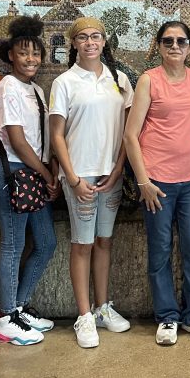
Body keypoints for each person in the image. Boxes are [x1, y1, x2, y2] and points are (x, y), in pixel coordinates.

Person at [123, 21, 190, 346]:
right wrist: (143, 181)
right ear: (159, 46)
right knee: (160, 250)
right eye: (168, 41)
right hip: (157, 182)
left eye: (181, 41)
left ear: (189, 46)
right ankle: (167, 317)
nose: (174, 46)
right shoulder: (149, 80)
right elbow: (130, 135)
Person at [49, 17, 133, 349]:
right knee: (81, 244)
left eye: (95, 36)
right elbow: (56, 135)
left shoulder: (120, 80)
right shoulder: (65, 82)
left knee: (104, 241)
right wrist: (71, 177)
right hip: (79, 175)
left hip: (110, 174)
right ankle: (84, 315)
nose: (89, 42)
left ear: (103, 41)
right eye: (82, 37)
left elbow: (129, 132)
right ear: (73, 44)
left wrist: (119, 169)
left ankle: (102, 307)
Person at [0, 15, 59, 346]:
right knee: (13, 244)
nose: (30, 59)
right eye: (22, 53)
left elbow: (42, 136)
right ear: (10, 56)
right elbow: (17, 139)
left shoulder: (36, 90)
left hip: (33, 172)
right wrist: (46, 174)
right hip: (12, 171)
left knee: (45, 243)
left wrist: (49, 169)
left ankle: (18, 306)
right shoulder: (8, 87)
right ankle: (5, 317)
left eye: (35, 53)